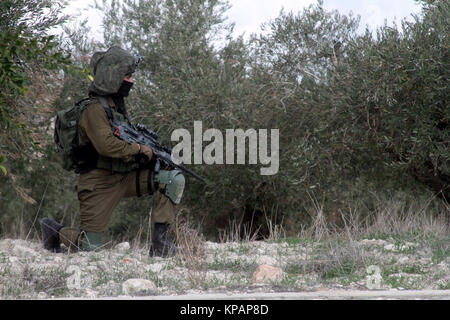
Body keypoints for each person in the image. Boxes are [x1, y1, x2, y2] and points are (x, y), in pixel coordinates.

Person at [41, 46, 185, 257]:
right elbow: (106, 145)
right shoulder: (93, 110)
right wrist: (139, 148)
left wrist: (150, 156)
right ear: (113, 78)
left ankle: (160, 244)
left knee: (174, 178)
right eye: (127, 76)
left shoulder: (116, 110)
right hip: (97, 184)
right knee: (92, 248)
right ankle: (54, 230)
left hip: (124, 177)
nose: (131, 81)